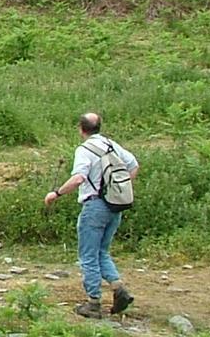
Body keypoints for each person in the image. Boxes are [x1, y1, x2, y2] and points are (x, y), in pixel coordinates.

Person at [44, 111, 139, 318]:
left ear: (81, 129)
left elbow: (78, 178)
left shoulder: (85, 150)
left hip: (95, 206)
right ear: (99, 127)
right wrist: (117, 191)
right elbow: (133, 165)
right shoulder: (111, 144)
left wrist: (56, 194)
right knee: (102, 252)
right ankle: (119, 289)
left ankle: (93, 303)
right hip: (115, 206)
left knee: (88, 255)